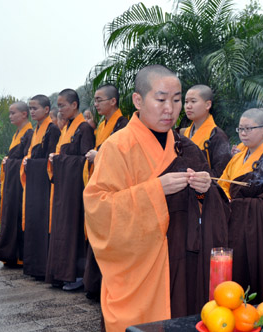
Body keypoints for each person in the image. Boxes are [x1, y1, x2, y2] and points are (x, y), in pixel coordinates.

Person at [83, 65, 229, 331]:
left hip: (185, 266)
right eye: (161, 99)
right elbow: (98, 209)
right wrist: (154, 190)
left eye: (176, 100)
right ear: (138, 100)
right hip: (142, 270)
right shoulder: (118, 147)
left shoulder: (187, 147)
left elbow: (215, 208)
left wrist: (205, 190)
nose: (170, 109)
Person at [219, 108, 263, 302]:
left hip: (258, 233)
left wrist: (239, 203)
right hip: (236, 225)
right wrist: (225, 200)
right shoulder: (237, 158)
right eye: (240, 129)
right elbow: (223, 185)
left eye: (249, 128)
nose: (243, 133)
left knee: (256, 278)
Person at [82, 84, 128, 301]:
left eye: (100, 99)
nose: (96, 103)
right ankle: (95, 285)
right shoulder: (102, 125)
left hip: (114, 188)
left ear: (113, 101)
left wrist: (97, 156)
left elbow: (122, 156)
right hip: (99, 184)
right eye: (95, 100)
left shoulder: (123, 124)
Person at [46, 89, 95, 290]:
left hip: (76, 191)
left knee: (73, 228)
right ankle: (62, 273)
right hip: (64, 190)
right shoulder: (67, 128)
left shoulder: (83, 128)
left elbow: (86, 160)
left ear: (74, 105)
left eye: (63, 105)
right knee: (62, 228)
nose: (60, 109)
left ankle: (76, 275)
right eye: (58, 105)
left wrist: (59, 160)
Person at [21, 95, 60, 279]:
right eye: (30, 108)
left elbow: (52, 161)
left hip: (44, 187)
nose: (32, 111)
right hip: (34, 187)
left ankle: (43, 268)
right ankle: (33, 267)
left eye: (35, 108)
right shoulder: (36, 130)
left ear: (46, 110)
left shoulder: (52, 130)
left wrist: (32, 163)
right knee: (33, 222)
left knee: (42, 223)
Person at [0, 102, 33, 266]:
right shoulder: (18, 133)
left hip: (21, 184)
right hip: (13, 183)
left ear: (24, 114)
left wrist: (10, 162)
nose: (10, 116)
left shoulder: (29, 133)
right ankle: (10, 255)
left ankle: (19, 256)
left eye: (13, 113)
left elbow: (27, 161)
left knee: (18, 216)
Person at [181, 84, 232, 177]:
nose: (188, 106)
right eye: (186, 102)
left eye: (193, 101)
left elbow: (221, 174)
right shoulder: (185, 133)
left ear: (207, 105)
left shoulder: (217, 136)